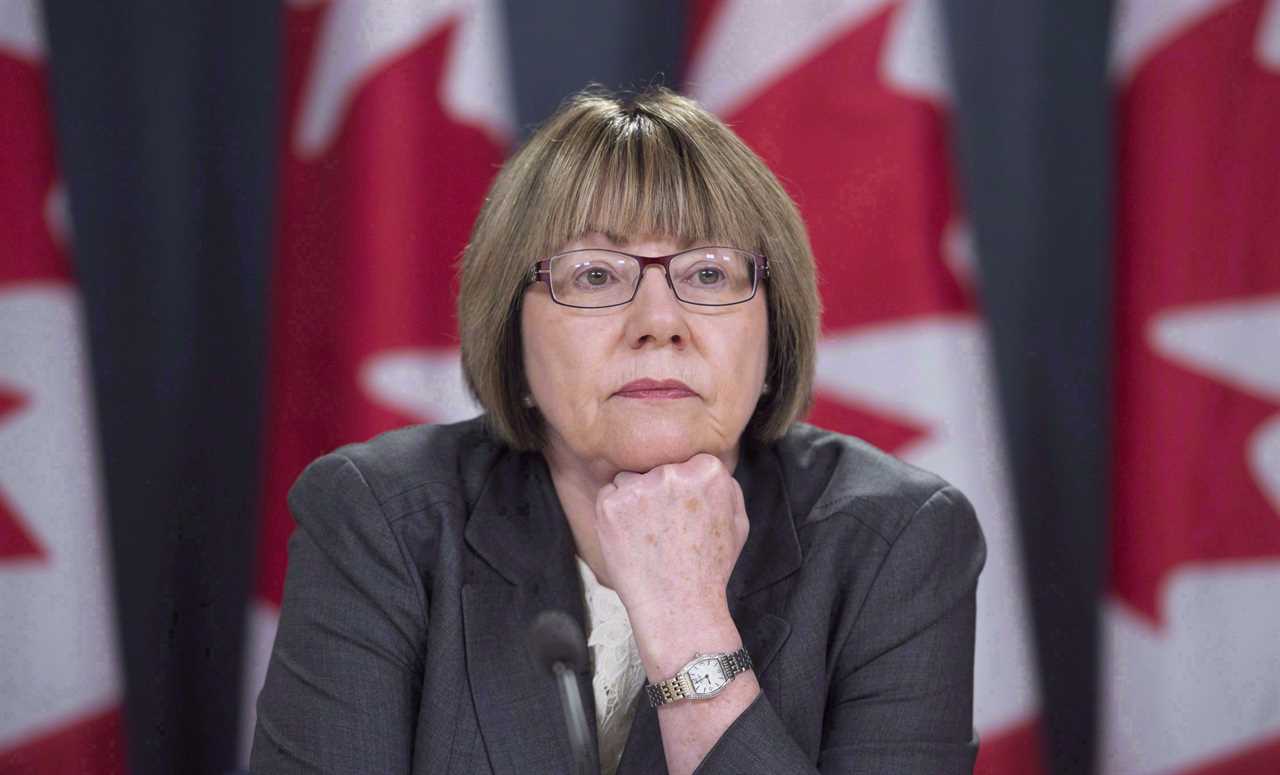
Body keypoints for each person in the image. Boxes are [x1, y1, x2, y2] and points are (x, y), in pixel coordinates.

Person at [251, 86, 986, 775]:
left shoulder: (895, 541)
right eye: (596, 276)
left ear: (774, 334)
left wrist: (690, 627)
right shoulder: (378, 520)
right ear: (511, 330)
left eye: (708, 274)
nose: (659, 324)